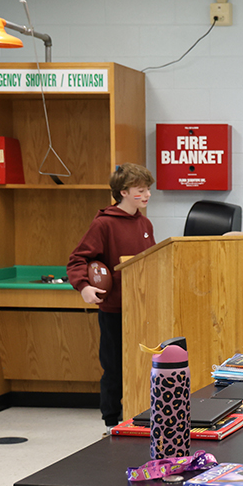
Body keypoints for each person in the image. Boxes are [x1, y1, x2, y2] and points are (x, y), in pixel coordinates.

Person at [67, 164, 156, 428]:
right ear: (124, 192)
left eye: (148, 189)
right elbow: (78, 260)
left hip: (142, 309)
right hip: (115, 310)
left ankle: (141, 414)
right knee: (114, 367)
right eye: (141, 190)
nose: (147, 195)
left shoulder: (145, 223)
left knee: (142, 367)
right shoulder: (104, 224)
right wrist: (84, 286)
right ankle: (110, 420)